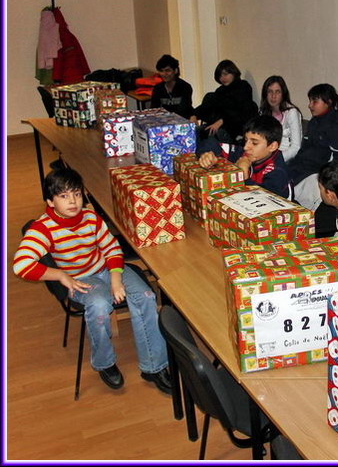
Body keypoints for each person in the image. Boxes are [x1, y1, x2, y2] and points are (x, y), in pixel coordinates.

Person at [13, 168, 171, 394]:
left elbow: (112, 249)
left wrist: (116, 279)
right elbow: (21, 266)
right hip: (80, 279)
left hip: (106, 269)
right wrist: (59, 275)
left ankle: (154, 366)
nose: (73, 201)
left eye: (76, 194)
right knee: (99, 305)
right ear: (50, 201)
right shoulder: (43, 229)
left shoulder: (90, 217)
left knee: (146, 296)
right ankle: (104, 363)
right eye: (64, 196)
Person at [196, 115, 293, 200]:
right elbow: (211, 142)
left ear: (272, 146)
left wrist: (243, 175)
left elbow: (265, 201)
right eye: (246, 140)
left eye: (254, 143)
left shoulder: (278, 172)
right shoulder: (244, 153)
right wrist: (206, 154)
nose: (246, 147)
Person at [288, 83, 338, 185]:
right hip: (300, 169)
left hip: (316, 176)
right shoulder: (315, 121)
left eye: (315, 101)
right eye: (310, 101)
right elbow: (303, 151)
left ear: (329, 102)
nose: (309, 105)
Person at [191, 59, 258, 144]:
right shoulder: (220, 91)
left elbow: (241, 111)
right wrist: (194, 115)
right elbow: (208, 106)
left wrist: (221, 121)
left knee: (209, 136)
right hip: (218, 126)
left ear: (233, 73)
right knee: (195, 132)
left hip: (234, 129)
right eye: (220, 76)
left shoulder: (243, 87)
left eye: (225, 74)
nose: (222, 78)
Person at [259, 75, 302, 163]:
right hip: (267, 154)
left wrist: (273, 160)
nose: (273, 96)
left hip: (286, 158)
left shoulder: (292, 113)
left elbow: (296, 147)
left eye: (277, 92)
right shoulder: (263, 112)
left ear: (283, 94)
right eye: (270, 92)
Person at [150, 54, 194, 119]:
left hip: (181, 121)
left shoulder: (185, 87)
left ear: (175, 71)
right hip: (163, 121)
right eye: (161, 71)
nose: (164, 74)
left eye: (167, 70)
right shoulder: (158, 89)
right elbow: (154, 109)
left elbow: (185, 109)